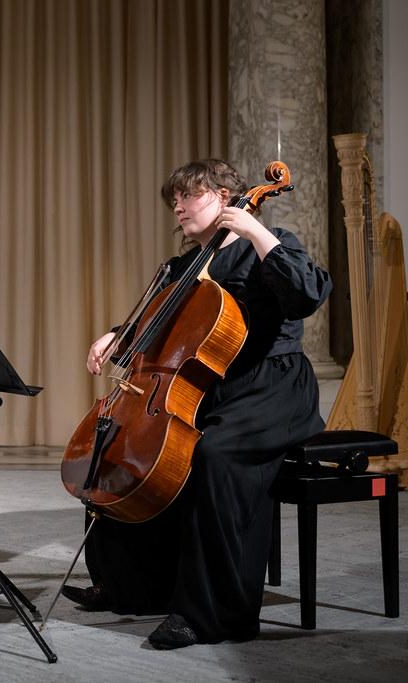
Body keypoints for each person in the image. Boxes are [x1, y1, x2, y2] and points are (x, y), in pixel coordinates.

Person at [66, 159, 332, 649]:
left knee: (215, 455)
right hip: (206, 390)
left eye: (188, 195)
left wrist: (255, 231)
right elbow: (157, 331)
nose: (178, 206)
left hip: (269, 388)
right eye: (174, 199)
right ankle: (130, 585)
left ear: (225, 196)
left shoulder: (270, 244)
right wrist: (117, 335)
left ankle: (211, 614)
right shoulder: (180, 267)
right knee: (125, 451)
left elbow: (307, 295)